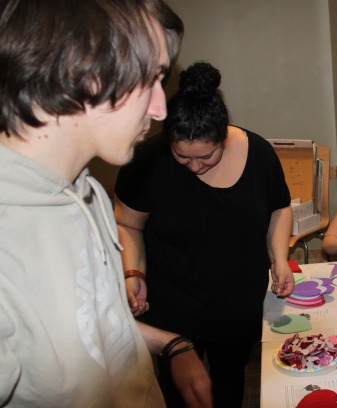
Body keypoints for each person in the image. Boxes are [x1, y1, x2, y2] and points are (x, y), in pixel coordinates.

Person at [0, 1, 212, 407]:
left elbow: (92, 334)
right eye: (150, 79)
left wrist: (173, 345)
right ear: (82, 72)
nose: (160, 107)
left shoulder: (87, 191)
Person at [114, 61, 295, 407]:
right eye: (182, 157)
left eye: (206, 157)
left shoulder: (258, 154)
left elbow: (279, 207)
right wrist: (133, 271)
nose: (195, 167)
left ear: (224, 135)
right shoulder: (146, 160)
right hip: (172, 307)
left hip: (236, 304)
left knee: (229, 384)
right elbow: (128, 224)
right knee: (181, 395)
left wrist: (279, 258)